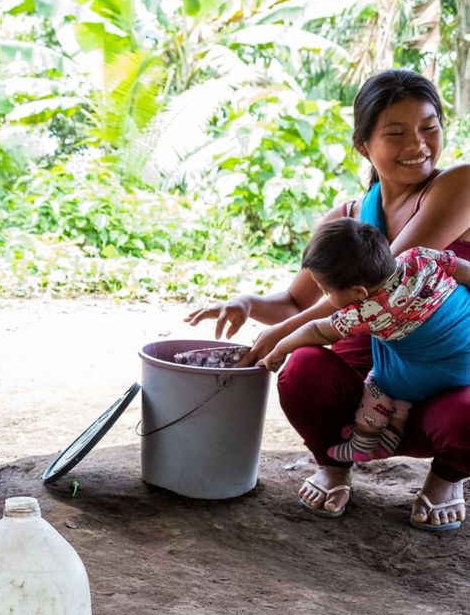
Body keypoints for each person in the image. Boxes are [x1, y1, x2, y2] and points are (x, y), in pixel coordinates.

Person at [186, 68, 470, 532]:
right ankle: (335, 467)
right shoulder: (348, 219)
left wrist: (281, 333)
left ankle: (447, 479)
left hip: (453, 390)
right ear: (364, 144)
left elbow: (385, 284)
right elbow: (298, 303)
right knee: (300, 370)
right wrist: (246, 303)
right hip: (369, 398)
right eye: (395, 133)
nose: (417, 144)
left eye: (429, 127)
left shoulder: (459, 184)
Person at [257, 218, 470, 463]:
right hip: (464, 359)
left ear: (359, 292)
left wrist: (280, 349)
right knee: (403, 360)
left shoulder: (367, 311)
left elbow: (317, 330)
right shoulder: (419, 256)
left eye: (326, 292)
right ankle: (393, 431)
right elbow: (464, 269)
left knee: (379, 382)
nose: (326, 296)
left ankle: (364, 442)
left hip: (447, 374)